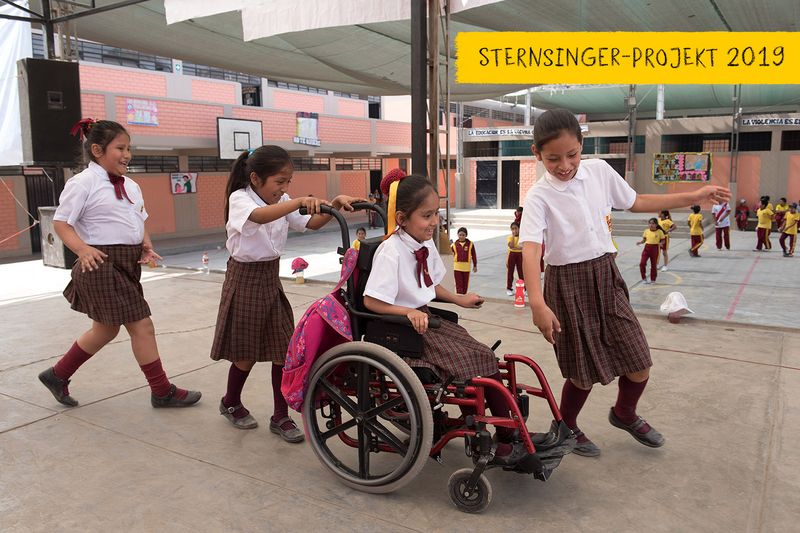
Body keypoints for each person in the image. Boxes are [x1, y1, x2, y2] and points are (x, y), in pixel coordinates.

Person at [519, 108, 730, 457]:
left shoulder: (600, 171)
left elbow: (638, 202)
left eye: (572, 155)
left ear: (582, 145)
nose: (565, 165)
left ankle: (624, 412)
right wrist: (538, 304)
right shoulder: (539, 196)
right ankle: (567, 425)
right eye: (553, 158)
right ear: (537, 154)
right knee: (581, 371)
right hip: (566, 284)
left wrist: (694, 196)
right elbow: (531, 250)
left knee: (638, 359)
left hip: (605, 275)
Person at [363, 172, 527, 466]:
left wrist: (458, 299)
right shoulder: (392, 251)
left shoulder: (422, 244)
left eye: (435, 213)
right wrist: (409, 311)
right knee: (479, 361)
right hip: (402, 331)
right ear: (402, 218)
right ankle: (501, 439)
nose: (434, 221)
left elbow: (429, 286)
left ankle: (502, 432)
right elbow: (371, 300)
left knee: (484, 356)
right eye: (426, 215)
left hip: (425, 322)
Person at [38, 119, 201, 408]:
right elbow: (61, 223)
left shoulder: (132, 186)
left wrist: (145, 243)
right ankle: (161, 390)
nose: (127, 154)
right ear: (98, 150)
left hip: (126, 263)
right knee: (142, 325)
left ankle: (57, 374)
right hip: (100, 263)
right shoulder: (83, 183)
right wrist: (82, 249)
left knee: (105, 329)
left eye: (129, 148)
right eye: (120, 148)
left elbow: (139, 218)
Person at [211, 145, 362, 438]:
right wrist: (297, 202)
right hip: (244, 280)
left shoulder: (283, 201)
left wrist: (332, 205)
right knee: (246, 354)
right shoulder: (241, 199)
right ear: (255, 178)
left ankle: (280, 416)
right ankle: (230, 402)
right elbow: (261, 216)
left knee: (284, 351)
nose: (284, 189)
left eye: (288, 182)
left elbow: (311, 223)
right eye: (279, 182)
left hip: (270, 278)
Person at [450, 227, 477, 295]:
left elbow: (474, 255)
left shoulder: (470, 244)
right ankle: (459, 298)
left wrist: (475, 265)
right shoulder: (454, 245)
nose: (461, 236)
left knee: (465, 285)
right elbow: (449, 254)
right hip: (457, 267)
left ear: (466, 235)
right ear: (457, 235)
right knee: (459, 284)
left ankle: (464, 296)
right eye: (460, 235)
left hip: (466, 267)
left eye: (463, 235)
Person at [637, 218, 664, 284]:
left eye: (653, 223)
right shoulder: (646, 231)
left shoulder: (659, 232)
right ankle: (644, 278)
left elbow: (663, 240)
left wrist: (661, 243)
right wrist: (640, 242)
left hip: (655, 249)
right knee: (642, 263)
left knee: (653, 265)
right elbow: (644, 240)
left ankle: (653, 279)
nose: (651, 225)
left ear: (656, 224)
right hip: (647, 248)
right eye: (650, 223)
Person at [506, 221, 524, 295]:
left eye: (516, 228)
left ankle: (523, 289)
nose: (514, 230)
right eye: (512, 229)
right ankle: (509, 288)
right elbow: (511, 246)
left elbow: (522, 247)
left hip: (520, 255)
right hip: (512, 255)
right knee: (510, 272)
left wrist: (517, 247)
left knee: (521, 272)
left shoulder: (522, 237)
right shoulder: (510, 237)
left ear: (519, 229)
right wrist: (513, 236)